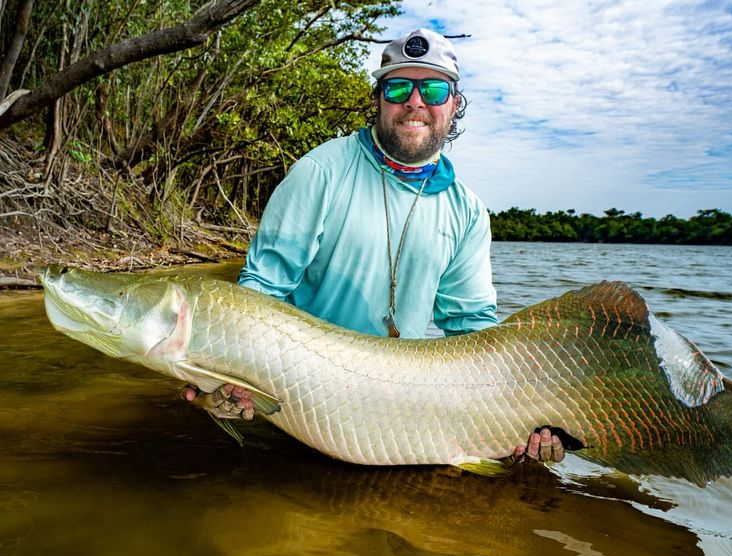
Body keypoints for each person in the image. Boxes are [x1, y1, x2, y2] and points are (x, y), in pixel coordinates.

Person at [183, 28, 564, 464]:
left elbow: (472, 328)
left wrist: (522, 418)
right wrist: (223, 375)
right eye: (398, 86)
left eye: (434, 89)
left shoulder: (468, 211)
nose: (415, 102)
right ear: (379, 97)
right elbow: (258, 294)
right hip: (299, 402)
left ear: (453, 105)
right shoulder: (320, 172)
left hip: (396, 414)